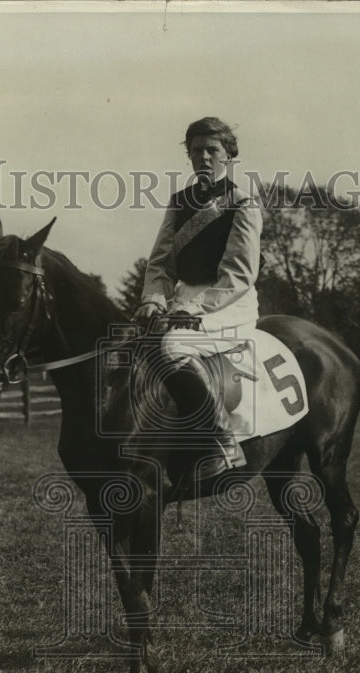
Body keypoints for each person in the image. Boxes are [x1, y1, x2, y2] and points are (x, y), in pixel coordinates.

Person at [134, 117, 263, 480]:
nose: (204, 157)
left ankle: (223, 442)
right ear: (188, 157)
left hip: (228, 302)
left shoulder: (244, 202)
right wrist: (153, 300)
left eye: (213, 150)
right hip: (181, 300)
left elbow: (238, 274)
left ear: (229, 155)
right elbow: (160, 264)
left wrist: (193, 307)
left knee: (174, 347)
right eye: (196, 151)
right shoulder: (179, 203)